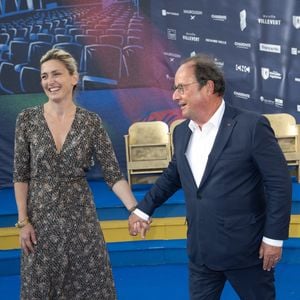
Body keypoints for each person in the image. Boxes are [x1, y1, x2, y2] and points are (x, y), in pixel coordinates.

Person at [129, 54, 292, 299]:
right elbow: (174, 174)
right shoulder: (182, 132)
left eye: (181, 88)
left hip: (247, 251)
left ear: (208, 87)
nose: (175, 96)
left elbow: (279, 184)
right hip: (201, 251)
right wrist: (143, 209)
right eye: (175, 89)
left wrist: (274, 238)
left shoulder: (251, 126)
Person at [13, 48, 142, 299]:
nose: (50, 82)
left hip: (80, 220)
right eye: (44, 76)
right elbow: (21, 174)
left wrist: (134, 209)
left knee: (89, 287)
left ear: (74, 78)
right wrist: (23, 221)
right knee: (41, 288)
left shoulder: (91, 121)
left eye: (56, 74)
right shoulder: (26, 119)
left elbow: (113, 174)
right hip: (40, 219)